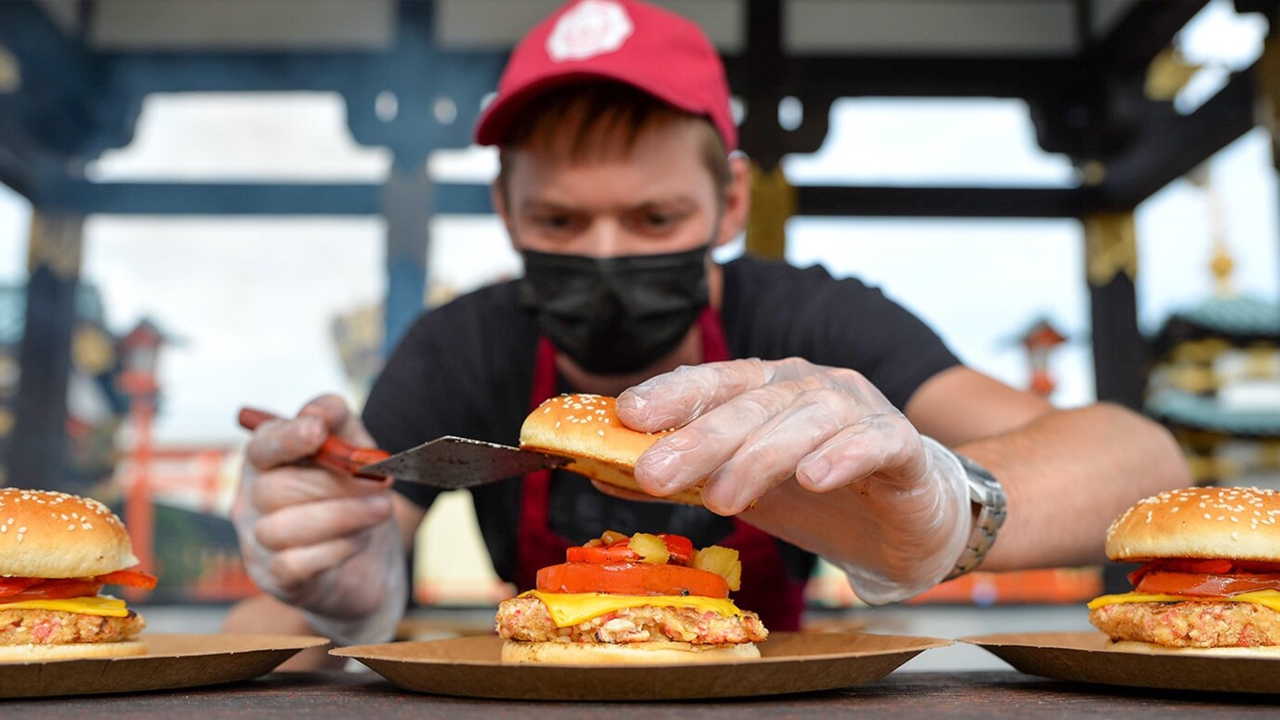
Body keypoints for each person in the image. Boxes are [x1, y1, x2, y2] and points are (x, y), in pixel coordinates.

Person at [225, 0, 1189, 667]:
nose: (604, 256)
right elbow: (337, 561)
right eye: (560, 223)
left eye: (653, 221)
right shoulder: (462, 344)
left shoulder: (810, 320)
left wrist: (948, 511)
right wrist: (333, 584)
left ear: (729, 201)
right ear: (506, 211)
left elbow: (1139, 458)